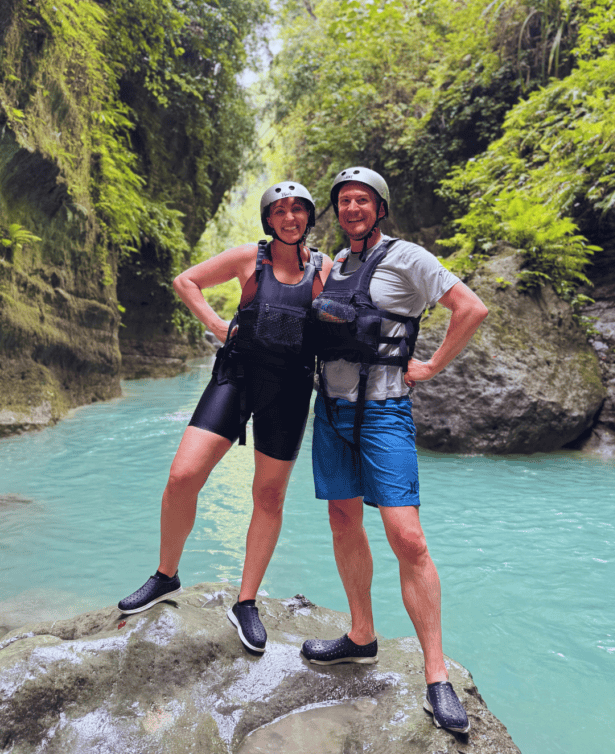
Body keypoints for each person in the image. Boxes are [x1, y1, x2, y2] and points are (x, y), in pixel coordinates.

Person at [300, 167, 488, 737]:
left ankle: (436, 676)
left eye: (362, 200)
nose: (352, 207)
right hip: (331, 413)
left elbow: (470, 308)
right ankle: (361, 635)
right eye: (344, 201)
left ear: (379, 208)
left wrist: (429, 366)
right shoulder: (338, 264)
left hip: (384, 412)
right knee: (342, 518)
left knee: (407, 537)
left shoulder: (408, 258)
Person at [117, 182, 332, 656]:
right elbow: (185, 281)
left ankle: (246, 602)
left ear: (308, 218)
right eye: (280, 211)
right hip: (235, 377)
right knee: (182, 476)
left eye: (298, 210)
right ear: (269, 220)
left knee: (269, 494)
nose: (290, 217)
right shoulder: (247, 259)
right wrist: (216, 324)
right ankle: (165, 574)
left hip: (291, 389)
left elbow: (346, 319)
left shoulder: (324, 269)